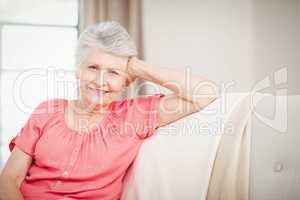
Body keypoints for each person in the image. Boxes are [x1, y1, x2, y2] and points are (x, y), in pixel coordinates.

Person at [0, 21, 219, 200]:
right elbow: (9, 179)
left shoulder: (134, 116)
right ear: (78, 71)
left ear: (126, 81)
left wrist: (138, 67)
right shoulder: (47, 111)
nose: (100, 81)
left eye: (114, 72)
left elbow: (206, 93)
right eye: (93, 67)